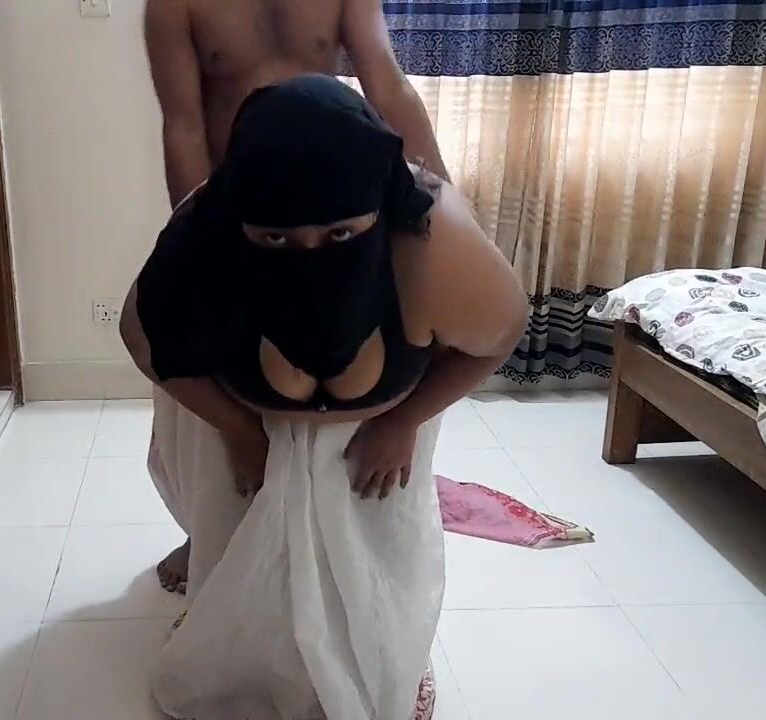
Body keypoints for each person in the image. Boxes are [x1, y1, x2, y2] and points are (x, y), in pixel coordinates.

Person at [122, 75, 526, 720]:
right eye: (277, 239)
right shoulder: (207, 227)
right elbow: (149, 345)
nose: (308, 257)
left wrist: (404, 420)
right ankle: (229, 640)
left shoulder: (431, 236)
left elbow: (496, 337)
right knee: (236, 548)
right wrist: (237, 429)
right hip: (236, 412)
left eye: (339, 235)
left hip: (382, 426)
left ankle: (377, 660)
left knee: (372, 565)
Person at [145, 0, 451, 593]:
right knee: (200, 392)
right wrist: (196, 239)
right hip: (245, 221)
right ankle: (203, 534)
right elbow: (183, 123)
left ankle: (343, 565)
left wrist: (443, 208)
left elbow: (386, 84)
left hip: (338, 217)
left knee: (373, 368)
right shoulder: (174, 5)